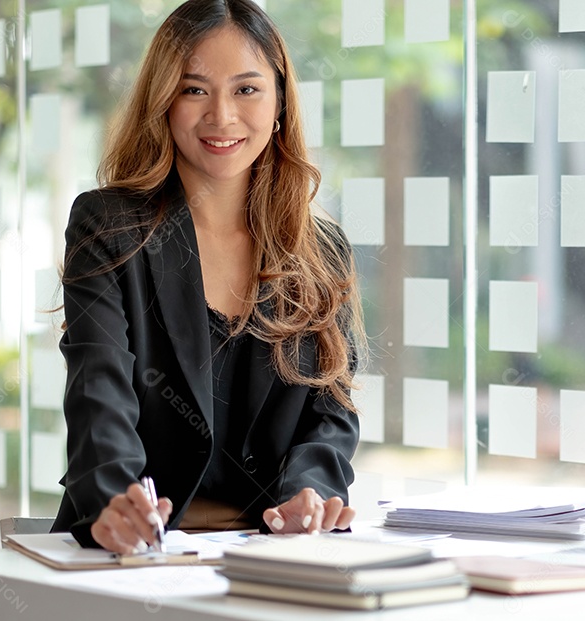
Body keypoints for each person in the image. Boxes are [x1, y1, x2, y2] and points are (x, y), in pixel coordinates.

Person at [51, 0, 365, 554]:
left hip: (269, 557)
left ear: (279, 102)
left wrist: (308, 498)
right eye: (194, 89)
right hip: (132, 556)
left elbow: (330, 417)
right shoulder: (108, 226)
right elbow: (98, 390)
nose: (221, 117)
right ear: (163, 101)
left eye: (246, 89)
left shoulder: (323, 251)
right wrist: (114, 502)